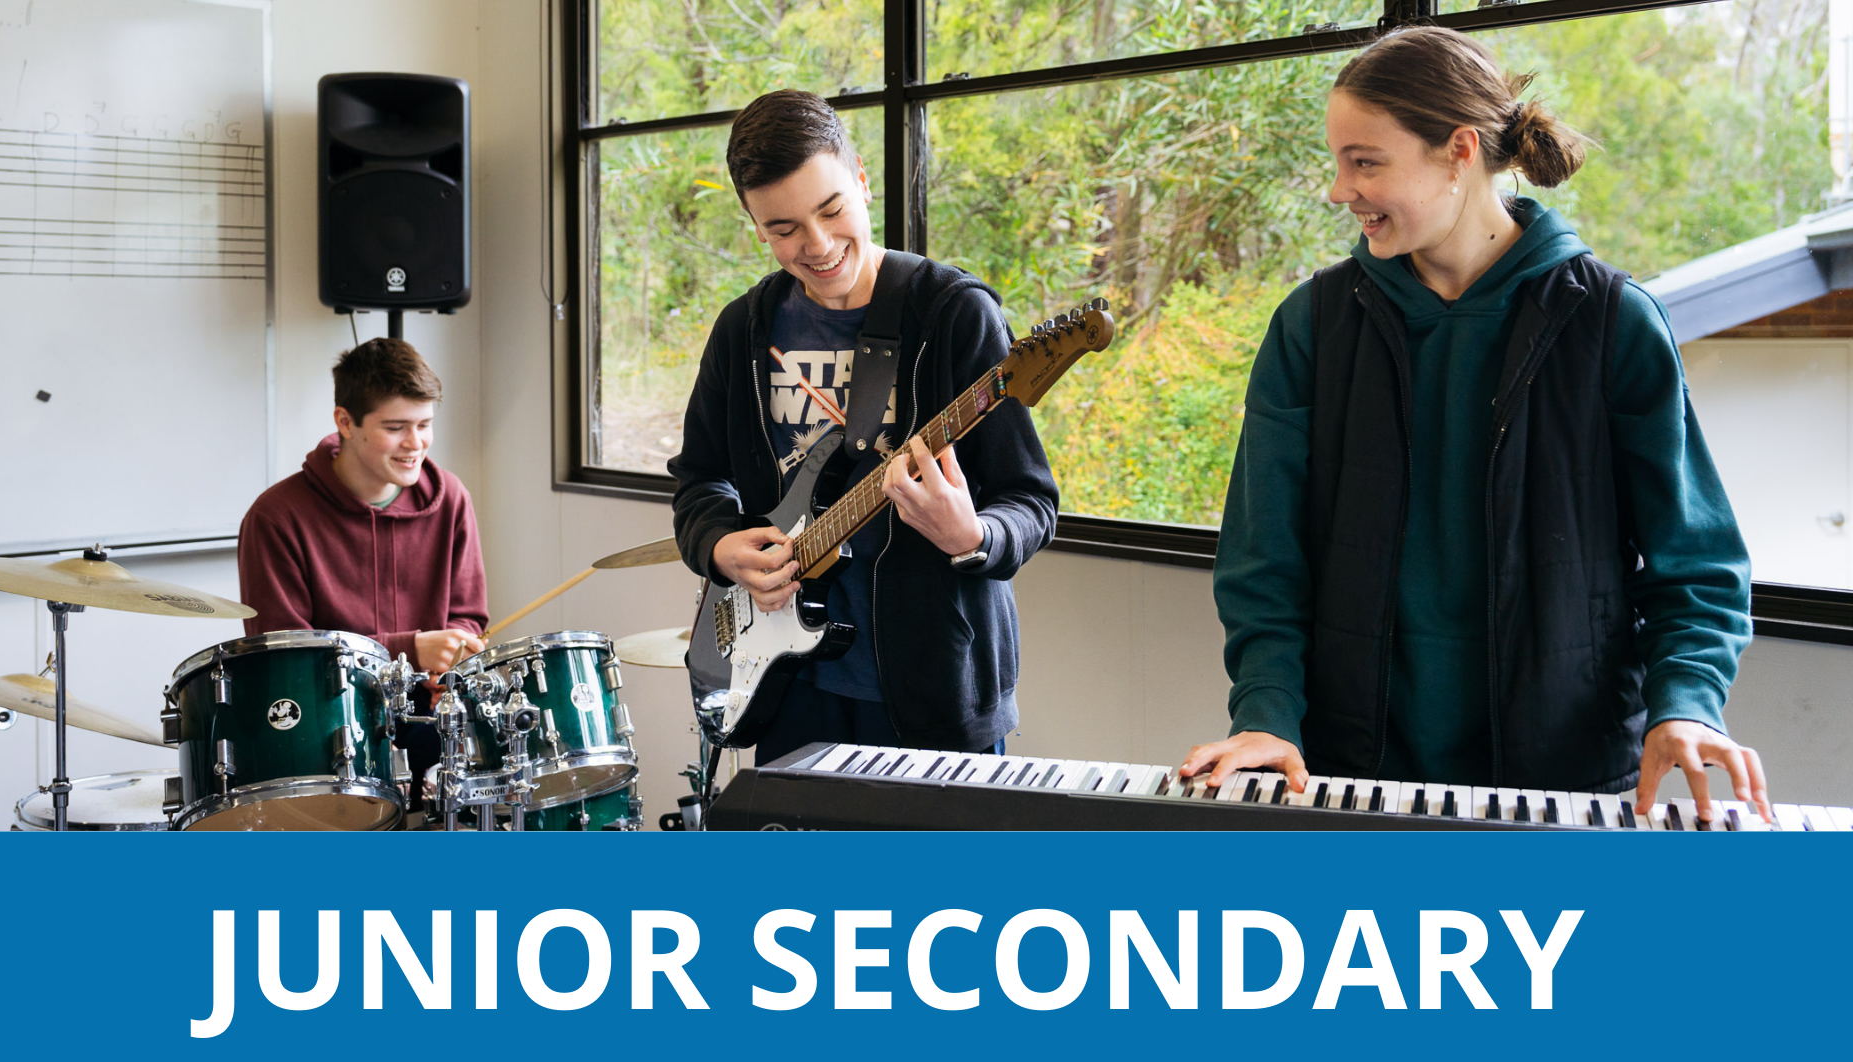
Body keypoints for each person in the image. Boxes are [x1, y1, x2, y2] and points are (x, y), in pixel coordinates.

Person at [1182, 26, 1768, 824]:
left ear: (1458, 150)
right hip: (1349, 778)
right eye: (1338, 162)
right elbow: (1263, 564)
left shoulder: (1613, 324)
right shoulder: (1309, 328)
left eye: (1365, 161)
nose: (1338, 189)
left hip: (1567, 780)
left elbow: (1694, 567)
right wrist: (1265, 713)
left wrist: (1689, 704)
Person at [670, 89, 1058, 765]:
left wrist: (972, 537)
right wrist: (721, 548)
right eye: (785, 228)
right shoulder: (743, 331)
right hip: (789, 685)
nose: (818, 246)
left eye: (832, 210)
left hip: (935, 690)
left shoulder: (953, 317)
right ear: (753, 224)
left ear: (861, 181)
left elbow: (1031, 503)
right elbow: (700, 481)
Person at [238, 336, 488, 807]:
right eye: (396, 427)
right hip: (324, 736)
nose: (416, 444)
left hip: (431, 723)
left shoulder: (451, 497)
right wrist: (408, 649)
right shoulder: (275, 516)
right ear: (345, 422)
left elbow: (468, 615)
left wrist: (452, 654)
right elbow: (282, 658)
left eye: (425, 424)